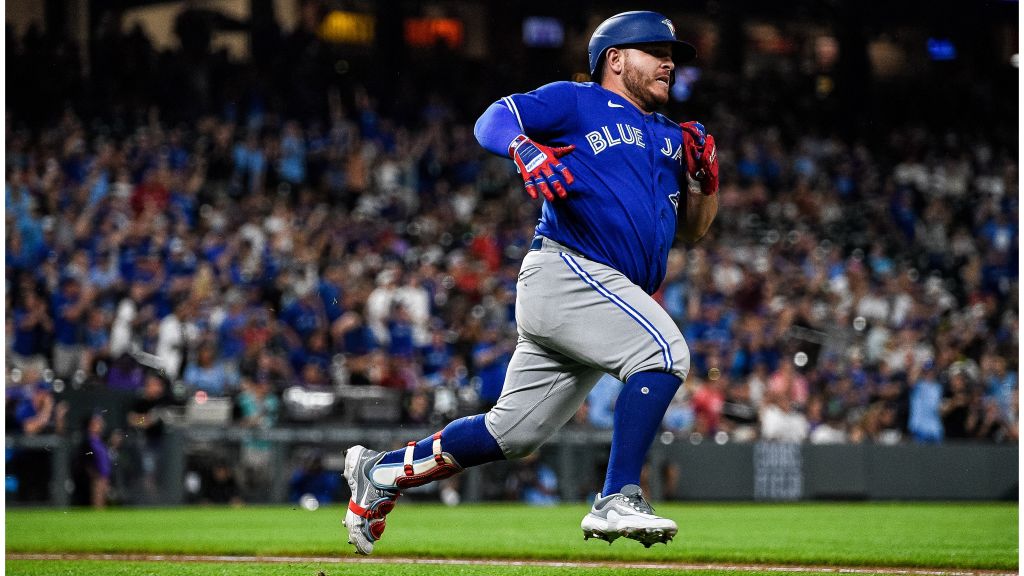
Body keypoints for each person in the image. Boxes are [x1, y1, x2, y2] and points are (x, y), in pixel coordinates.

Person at [342, 11, 719, 554]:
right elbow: (493, 118)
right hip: (569, 270)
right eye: (654, 51)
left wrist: (706, 182)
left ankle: (379, 474)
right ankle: (617, 496)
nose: (668, 63)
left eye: (672, 56)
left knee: (511, 434)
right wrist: (523, 147)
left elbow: (694, 231)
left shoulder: (669, 136)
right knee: (663, 353)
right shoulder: (578, 100)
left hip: (603, 295)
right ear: (614, 59)